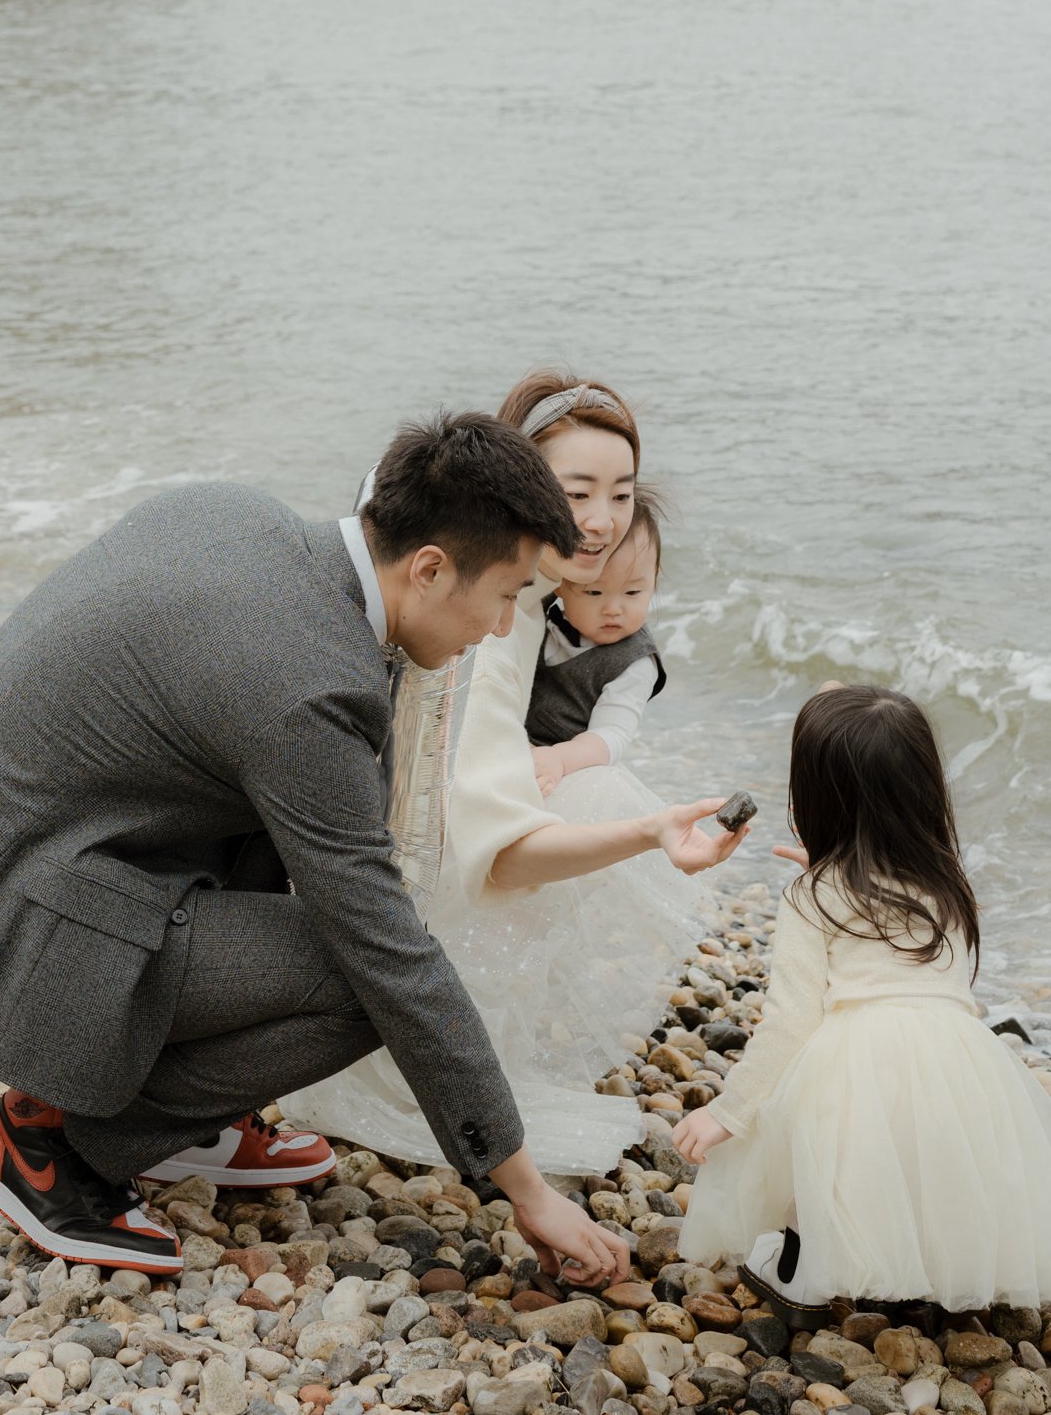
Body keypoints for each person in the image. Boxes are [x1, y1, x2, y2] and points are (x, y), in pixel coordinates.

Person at [0, 414, 631, 1288]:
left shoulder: (234, 515)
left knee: (295, 842)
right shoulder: (305, 683)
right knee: (358, 976)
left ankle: (194, 1120)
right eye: (508, 594)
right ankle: (53, 1139)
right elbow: (386, 950)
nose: (503, 625)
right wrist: (520, 1183)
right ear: (430, 567)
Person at [286, 374, 746, 1173]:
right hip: (417, 851)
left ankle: (461, 1040)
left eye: (622, 494)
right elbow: (498, 844)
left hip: (386, 830)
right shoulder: (491, 628)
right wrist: (644, 833)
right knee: (591, 797)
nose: (603, 522)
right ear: (519, 482)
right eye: (577, 492)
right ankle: (449, 1056)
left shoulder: (500, 576)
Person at [673, 684, 1051, 1311]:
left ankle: (804, 1265)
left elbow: (790, 1022)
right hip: (957, 1062)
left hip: (855, 1064)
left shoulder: (810, 897)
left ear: (816, 802)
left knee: (815, 1145)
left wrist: (729, 1111)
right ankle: (939, 1265)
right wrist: (848, 872)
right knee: (943, 1162)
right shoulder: (949, 886)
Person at [526, 489, 667, 796]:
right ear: (561, 583)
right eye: (594, 593)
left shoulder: (636, 663)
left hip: (566, 774)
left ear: (653, 579)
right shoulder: (538, 608)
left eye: (632, 593)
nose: (614, 609)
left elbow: (611, 735)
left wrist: (559, 759)